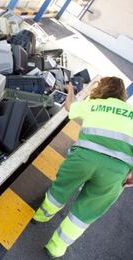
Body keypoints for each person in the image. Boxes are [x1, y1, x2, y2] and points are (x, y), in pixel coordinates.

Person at [32, 77, 133, 258]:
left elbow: (69, 106)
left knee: (61, 189)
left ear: (102, 89)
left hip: (83, 158)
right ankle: (55, 248)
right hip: (116, 172)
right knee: (85, 212)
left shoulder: (95, 104)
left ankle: (41, 215)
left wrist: (70, 89)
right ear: (123, 95)